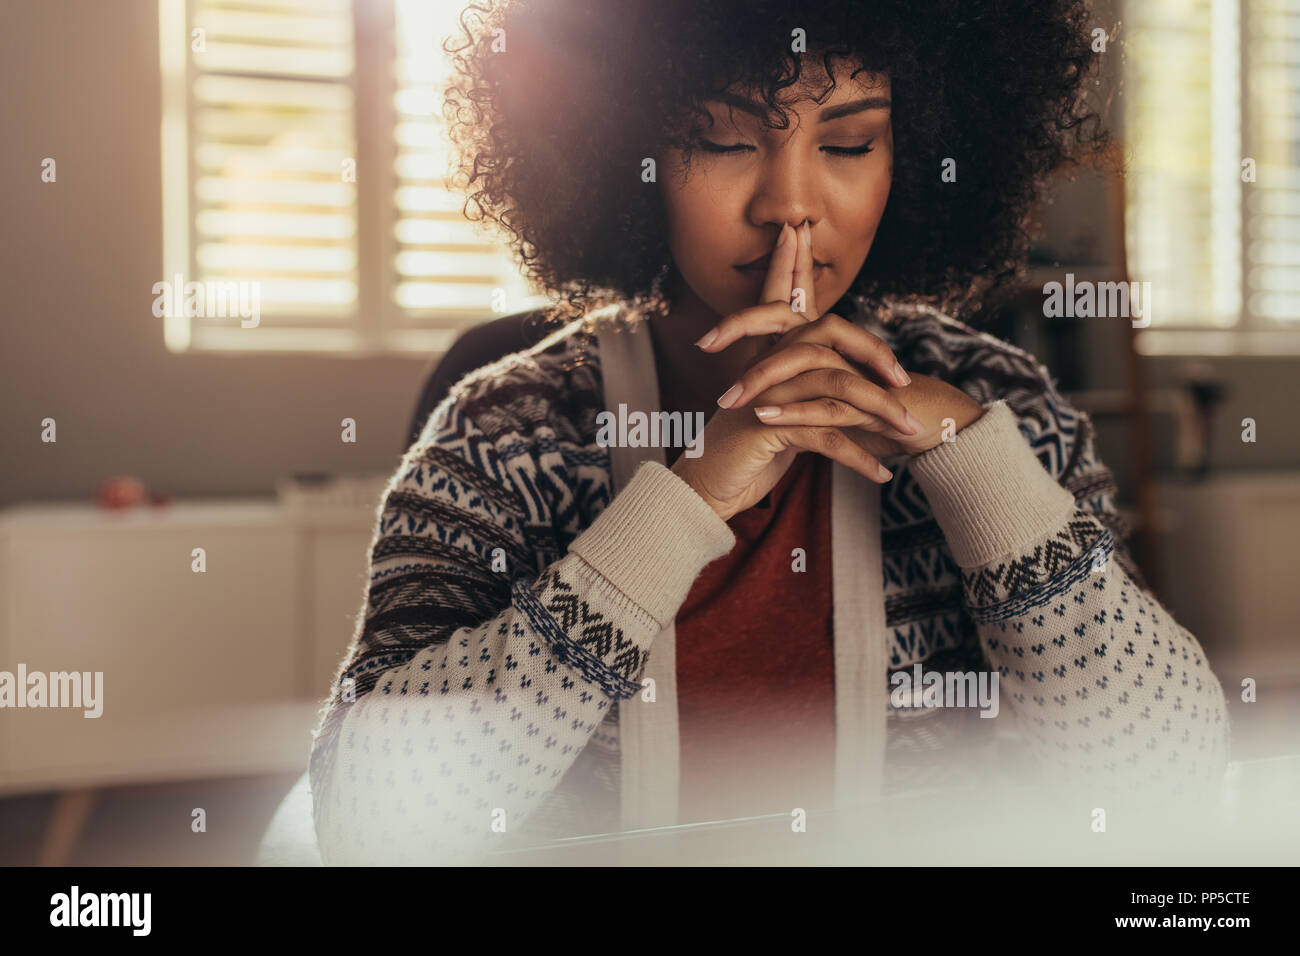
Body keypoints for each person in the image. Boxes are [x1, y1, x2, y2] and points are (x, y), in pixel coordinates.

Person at [307, 0, 1231, 865]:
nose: (790, 203)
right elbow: (368, 824)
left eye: (850, 142)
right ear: (625, 151)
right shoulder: (514, 433)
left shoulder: (1001, 403)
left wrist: (978, 471)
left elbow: (1168, 785)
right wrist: (689, 500)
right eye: (722, 138)